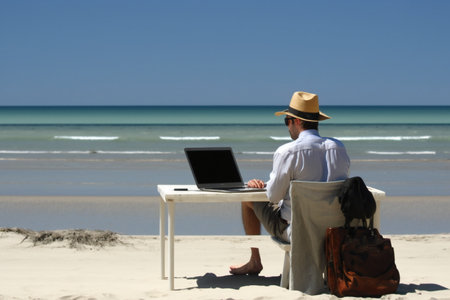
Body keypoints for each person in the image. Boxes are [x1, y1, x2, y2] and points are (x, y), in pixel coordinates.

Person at [229, 91, 350, 275]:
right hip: (334, 229)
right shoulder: (338, 148)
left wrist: (263, 186)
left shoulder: (287, 152)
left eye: (287, 121)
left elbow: (273, 196)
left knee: (248, 200)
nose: (287, 127)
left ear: (297, 121)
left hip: (297, 231)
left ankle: (255, 261)